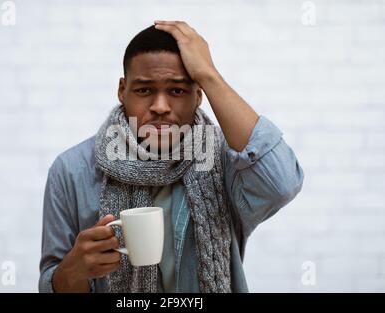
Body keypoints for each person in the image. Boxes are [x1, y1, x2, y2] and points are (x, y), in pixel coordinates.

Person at [39, 21, 304, 293]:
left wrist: (209, 74)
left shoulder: (225, 161)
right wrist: (73, 271)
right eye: (144, 90)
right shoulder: (71, 171)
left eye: (177, 90)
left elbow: (281, 183)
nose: (160, 107)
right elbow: (51, 282)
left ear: (198, 95)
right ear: (122, 90)